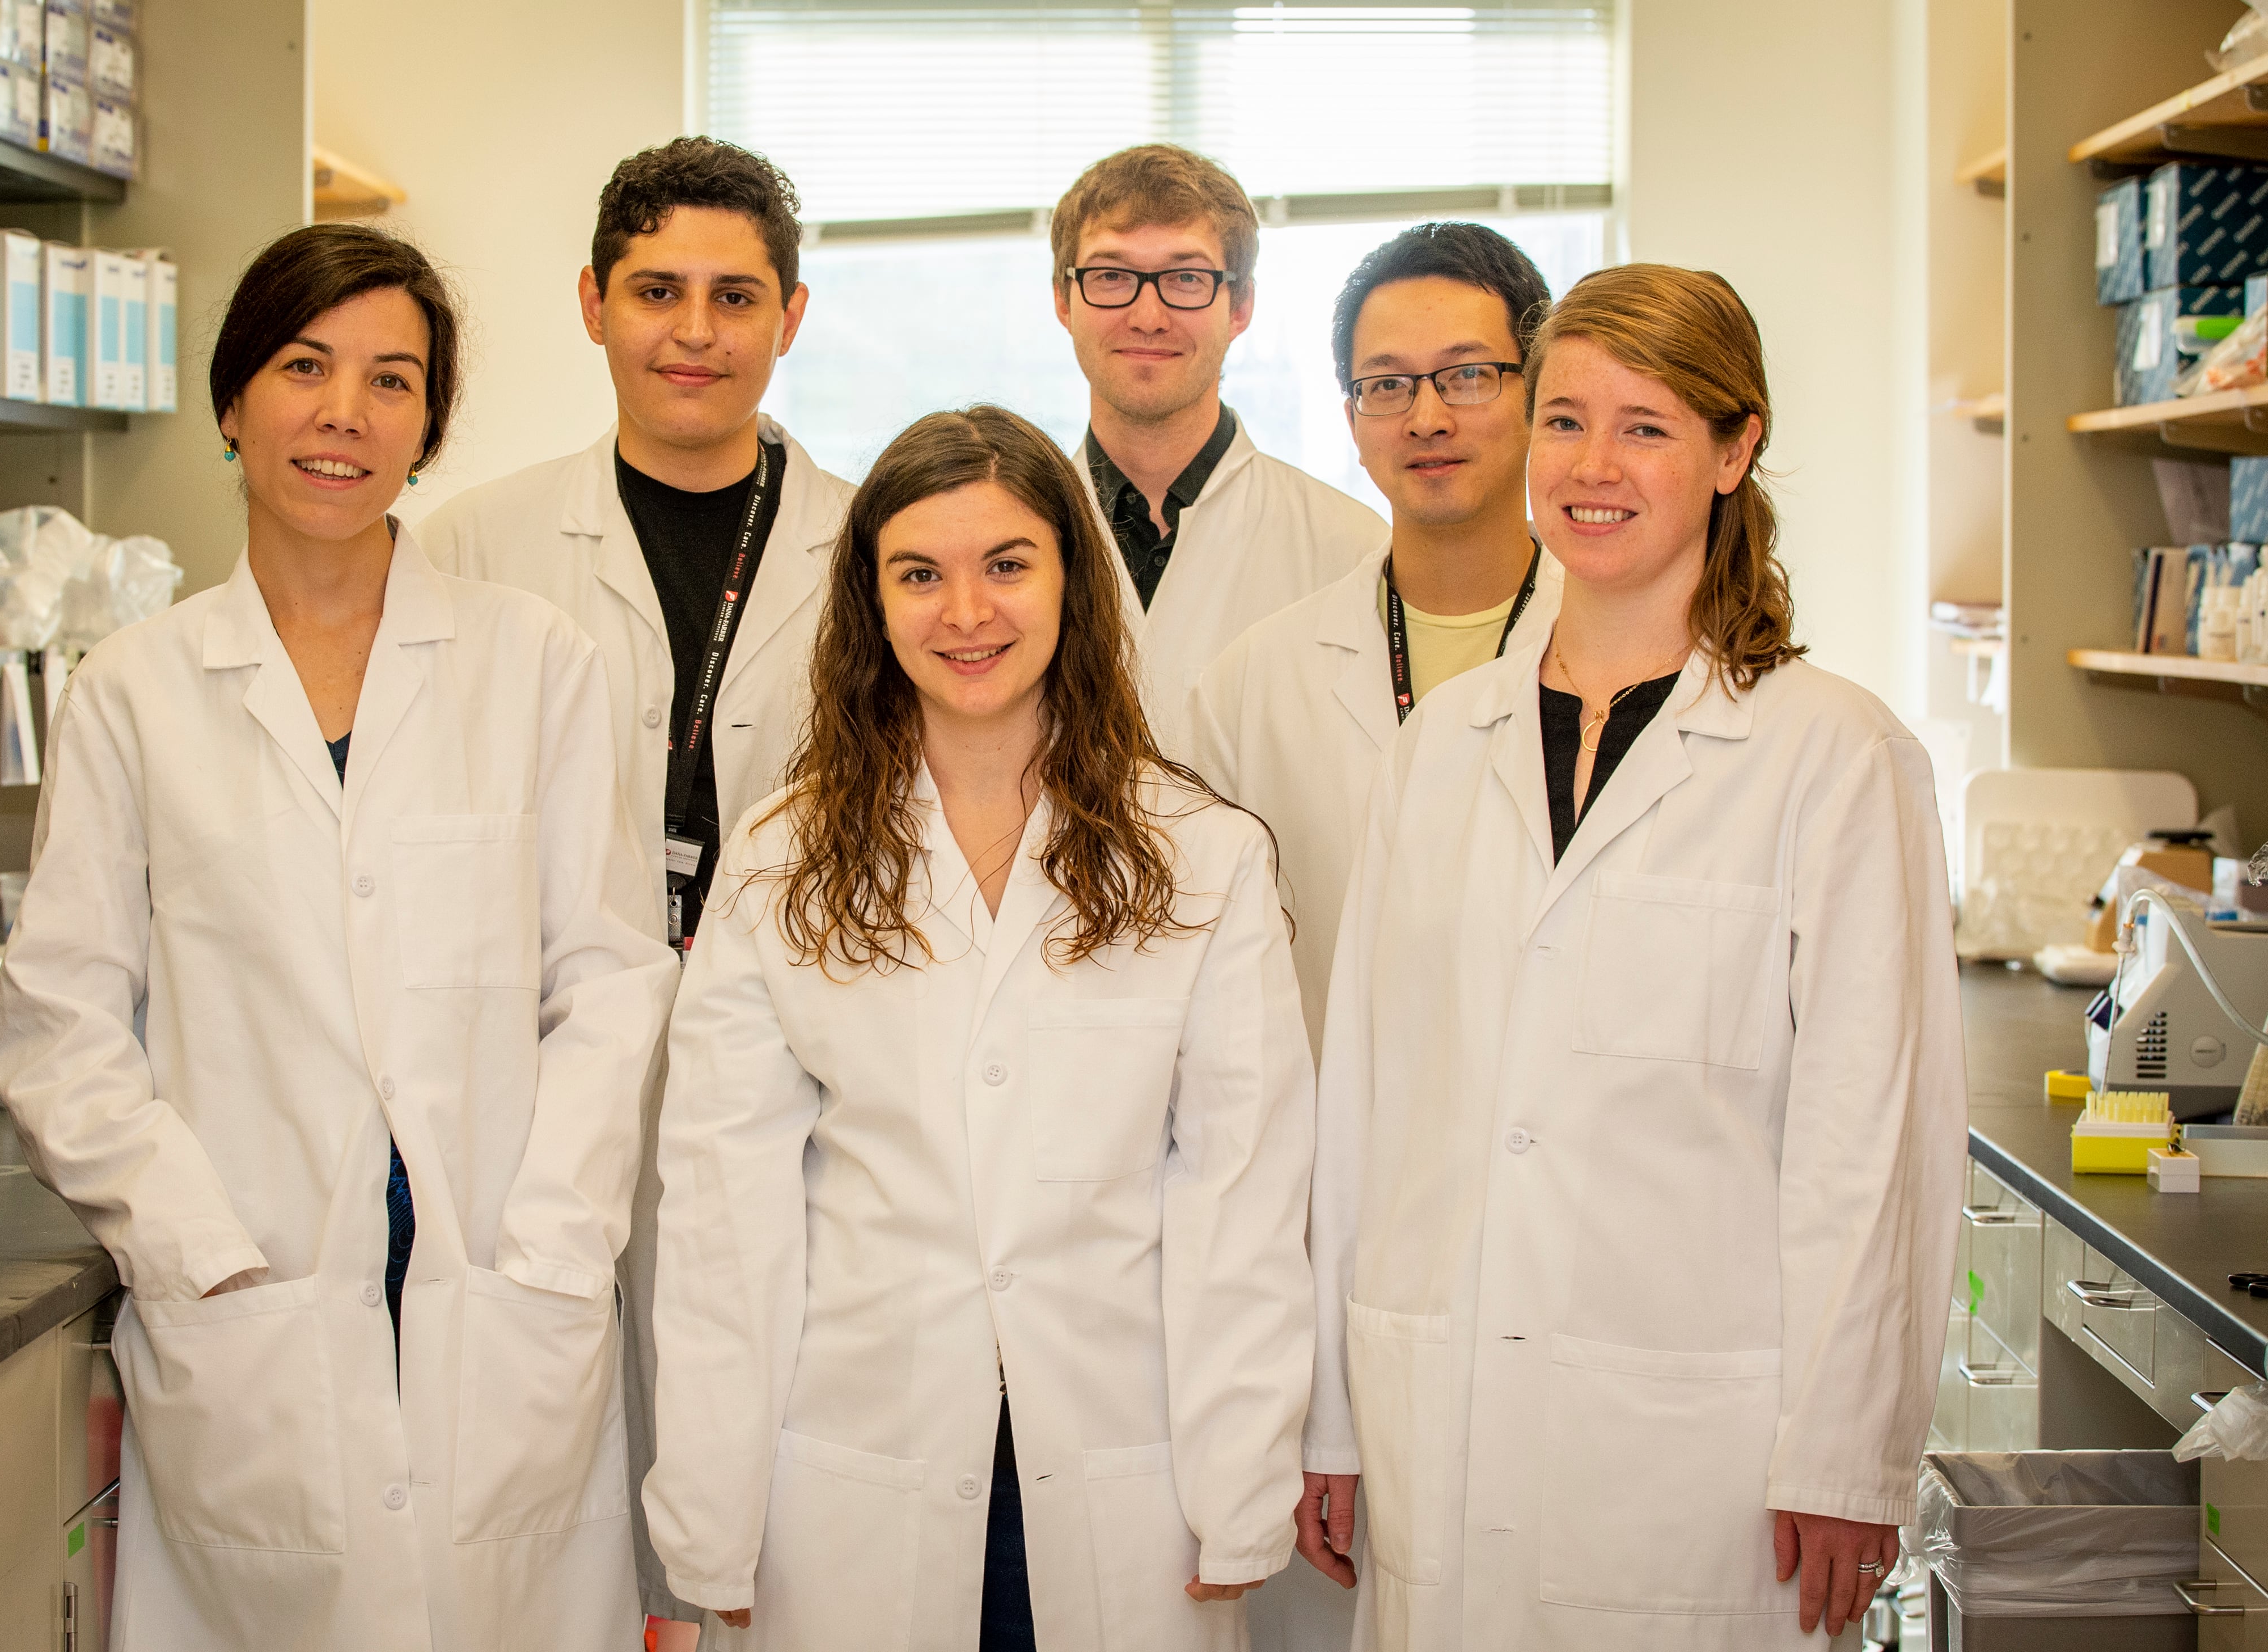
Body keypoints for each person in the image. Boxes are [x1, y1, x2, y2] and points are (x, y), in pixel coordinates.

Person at [0, 223, 678, 1651]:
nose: (344, 415)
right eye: (306, 368)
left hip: (498, 1286)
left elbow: (608, 981)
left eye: (393, 381)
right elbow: (60, 1025)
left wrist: (554, 1242)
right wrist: (196, 1255)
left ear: (427, 429)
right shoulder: (135, 691)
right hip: (260, 1299)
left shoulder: (532, 661)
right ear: (234, 399)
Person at [1307, 265, 1965, 1651]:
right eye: (1562, 421)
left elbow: (1874, 1138)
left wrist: (1846, 1454)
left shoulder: (1832, 755)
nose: (1591, 467)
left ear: (1734, 451)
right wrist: (1331, 1408)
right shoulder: (1442, 744)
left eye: (1646, 427)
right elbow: (1363, 1105)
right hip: (1437, 1406)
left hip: (1702, 1456)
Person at [644, 405, 1317, 1650]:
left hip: (1128, 1467)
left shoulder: (1204, 858)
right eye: (920, 573)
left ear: (1072, 578)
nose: (967, 612)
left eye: (1007, 564)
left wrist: (1237, 1488)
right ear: (870, 599)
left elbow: (1241, 1198)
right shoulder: (780, 859)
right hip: (850, 1465)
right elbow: (721, 1215)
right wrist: (707, 1512)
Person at [418, 137, 855, 1641]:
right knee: (550, 1483)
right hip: (539, 1075)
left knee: (767, 1470)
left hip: (803, 1080)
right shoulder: (474, 544)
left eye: (736, 295)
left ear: (792, 315)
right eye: (658, 289)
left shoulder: (871, 546)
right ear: (594, 302)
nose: (695, 329)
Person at [1186, 219, 1564, 1652]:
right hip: (1319, 1231)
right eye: (1384, 382)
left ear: (1536, 390)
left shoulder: (1618, 657)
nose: (1427, 414)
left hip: (1559, 1223)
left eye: (1467, 373)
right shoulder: (1257, 681)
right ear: (1346, 417)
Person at [1051, 143, 1385, 756]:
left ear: (1241, 305)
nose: (1146, 315)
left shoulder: (1352, 552)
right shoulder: (1011, 541)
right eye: (1111, 277)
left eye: (1184, 278)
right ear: (1063, 301)